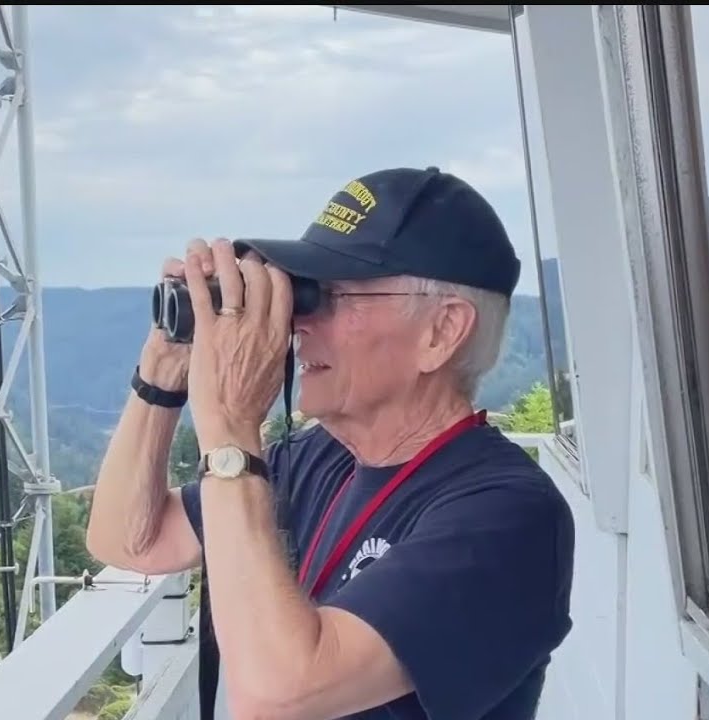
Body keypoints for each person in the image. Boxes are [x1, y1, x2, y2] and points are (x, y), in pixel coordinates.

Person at [85, 166, 576, 720]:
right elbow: (130, 540)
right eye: (303, 295)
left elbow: (282, 692)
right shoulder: (317, 458)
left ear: (440, 332)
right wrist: (164, 367)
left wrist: (229, 418)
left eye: (332, 296)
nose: (300, 324)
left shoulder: (508, 515)